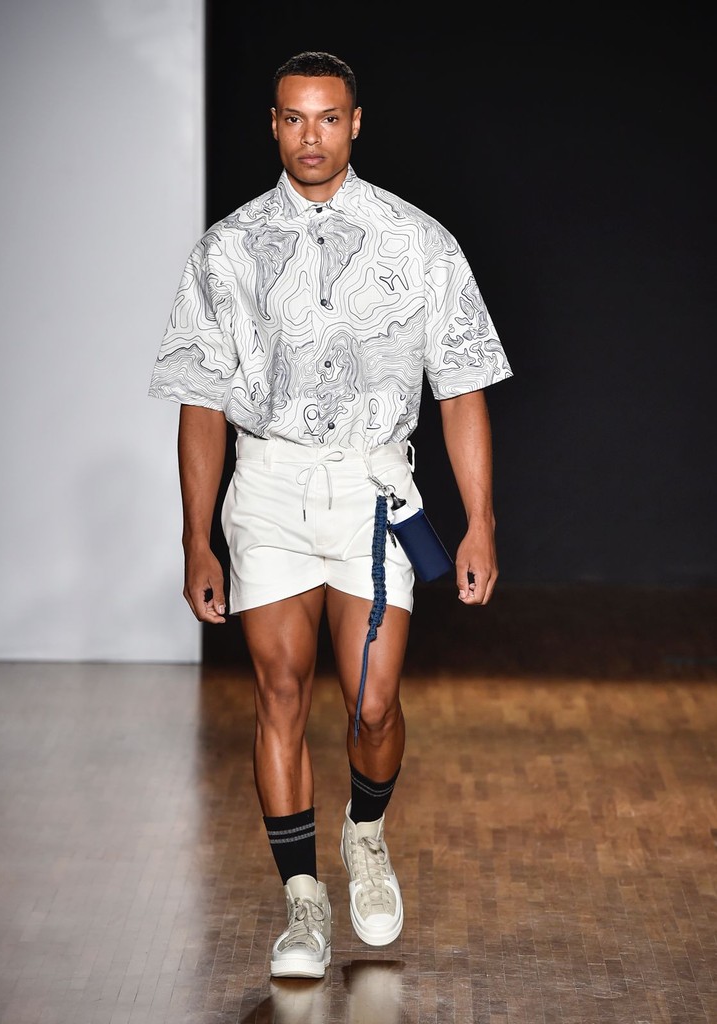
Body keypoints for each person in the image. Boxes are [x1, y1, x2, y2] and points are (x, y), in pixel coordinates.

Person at [148, 50, 512, 979]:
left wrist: (479, 522)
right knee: (278, 692)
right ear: (272, 125)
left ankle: (366, 830)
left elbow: (461, 385)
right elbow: (201, 400)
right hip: (268, 487)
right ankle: (302, 903)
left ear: (355, 123)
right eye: (293, 118)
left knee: (373, 702)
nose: (310, 136)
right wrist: (196, 539)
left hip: (372, 489)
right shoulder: (227, 248)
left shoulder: (417, 241)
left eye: (327, 117)